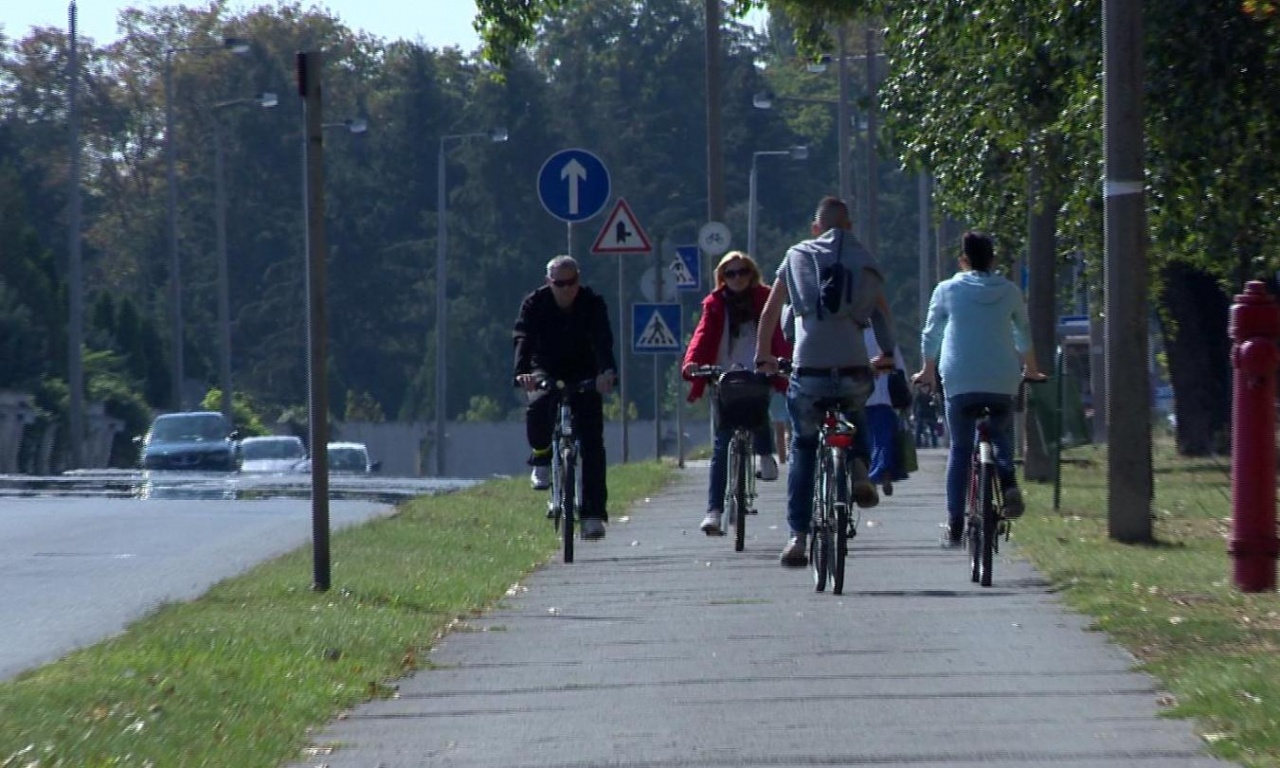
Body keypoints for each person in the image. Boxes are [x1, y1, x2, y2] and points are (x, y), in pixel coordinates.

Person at [755, 196, 897, 567]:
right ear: (849, 226)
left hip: (810, 373)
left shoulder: (797, 255)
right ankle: (859, 466)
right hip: (853, 369)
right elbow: (882, 314)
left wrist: (763, 356)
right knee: (857, 410)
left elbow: (771, 312)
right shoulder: (865, 259)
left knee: (803, 446)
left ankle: (798, 537)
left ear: (815, 228)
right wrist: (887, 354)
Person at [912, 230, 1046, 547]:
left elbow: (931, 334)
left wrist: (927, 371)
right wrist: (1031, 369)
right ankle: (1008, 482)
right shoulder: (1010, 291)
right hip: (1002, 380)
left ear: (963, 260)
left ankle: (955, 525)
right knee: (999, 432)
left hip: (959, 380)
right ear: (994, 260)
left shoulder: (947, 290)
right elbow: (1023, 334)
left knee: (960, 449)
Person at [681, 251, 791, 536]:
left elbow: (777, 334)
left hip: (758, 367)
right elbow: (702, 335)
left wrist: (781, 361)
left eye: (743, 272)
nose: (737, 278)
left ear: (751, 274)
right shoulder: (715, 303)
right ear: (722, 277)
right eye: (730, 274)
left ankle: (765, 455)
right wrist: (693, 362)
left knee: (759, 405)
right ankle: (714, 512)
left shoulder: (764, 298)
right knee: (722, 444)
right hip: (724, 374)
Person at [513, 255, 617, 541]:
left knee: (592, 443)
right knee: (538, 404)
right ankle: (541, 457)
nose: (567, 289)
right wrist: (522, 372)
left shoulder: (592, 303)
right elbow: (523, 337)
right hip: (544, 367)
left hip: (584, 370)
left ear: (578, 279)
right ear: (549, 282)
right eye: (560, 284)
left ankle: (593, 514)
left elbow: (603, 340)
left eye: (572, 282)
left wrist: (607, 372)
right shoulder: (534, 303)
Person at [863, 326, 909, 496]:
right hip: (882, 399)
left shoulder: (848, 333)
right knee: (883, 441)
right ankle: (882, 470)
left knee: (863, 442)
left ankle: (866, 474)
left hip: (856, 397)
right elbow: (900, 369)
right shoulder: (884, 337)